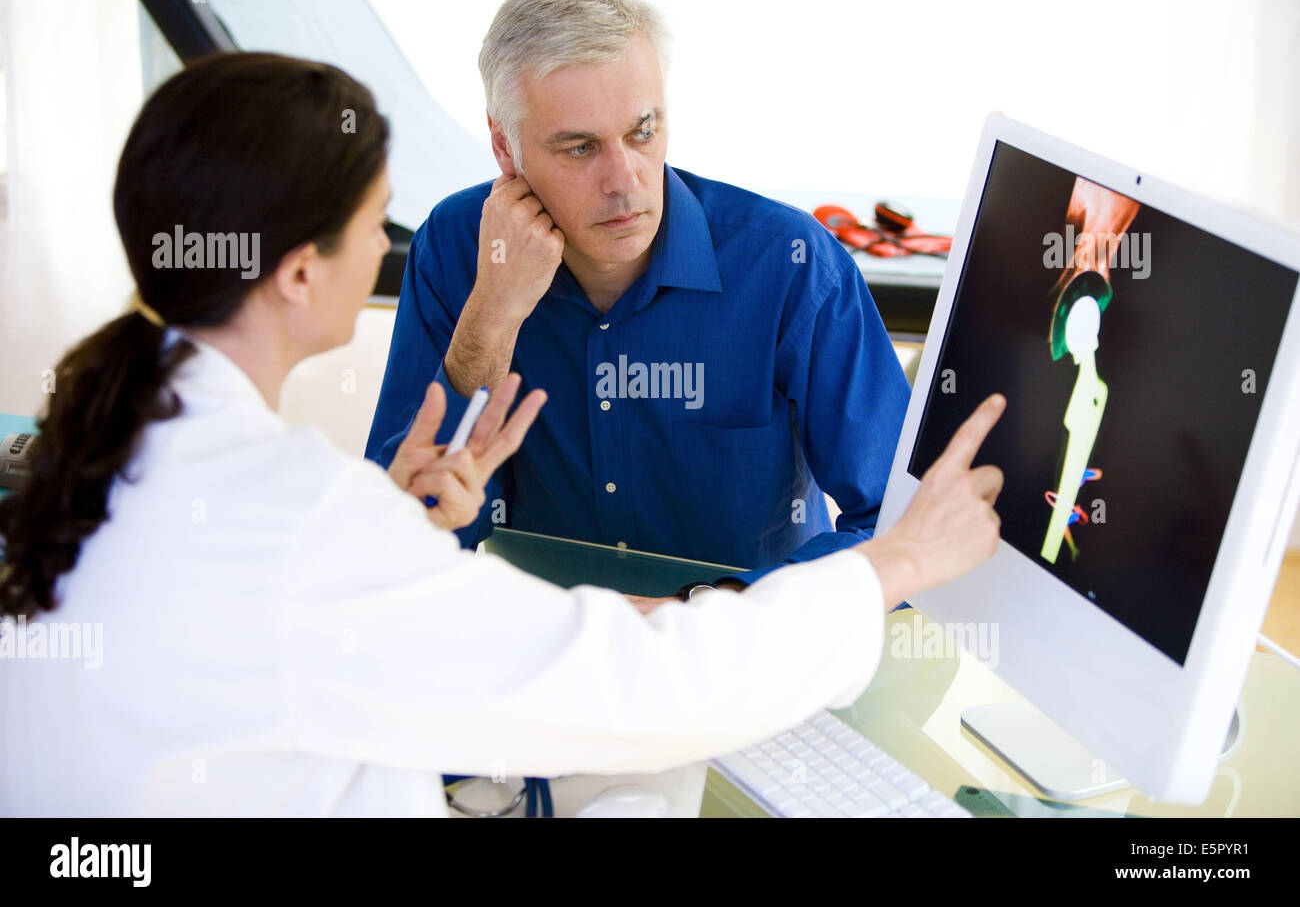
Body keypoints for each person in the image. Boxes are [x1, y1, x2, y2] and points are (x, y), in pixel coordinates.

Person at [0, 52, 1004, 816]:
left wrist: (392, 522)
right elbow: (640, 691)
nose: (392, 245)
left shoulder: (104, 441)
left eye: (642, 131)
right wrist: (889, 563)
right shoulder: (307, 520)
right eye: (373, 221)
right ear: (300, 273)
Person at [366, 0, 912, 612]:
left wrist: (713, 611)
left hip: (742, 657)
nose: (624, 181)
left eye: (643, 131)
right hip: (538, 647)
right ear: (504, 148)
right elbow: (399, 536)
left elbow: (904, 529)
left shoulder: (790, 264)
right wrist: (490, 318)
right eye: (580, 147)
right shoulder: (458, 249)